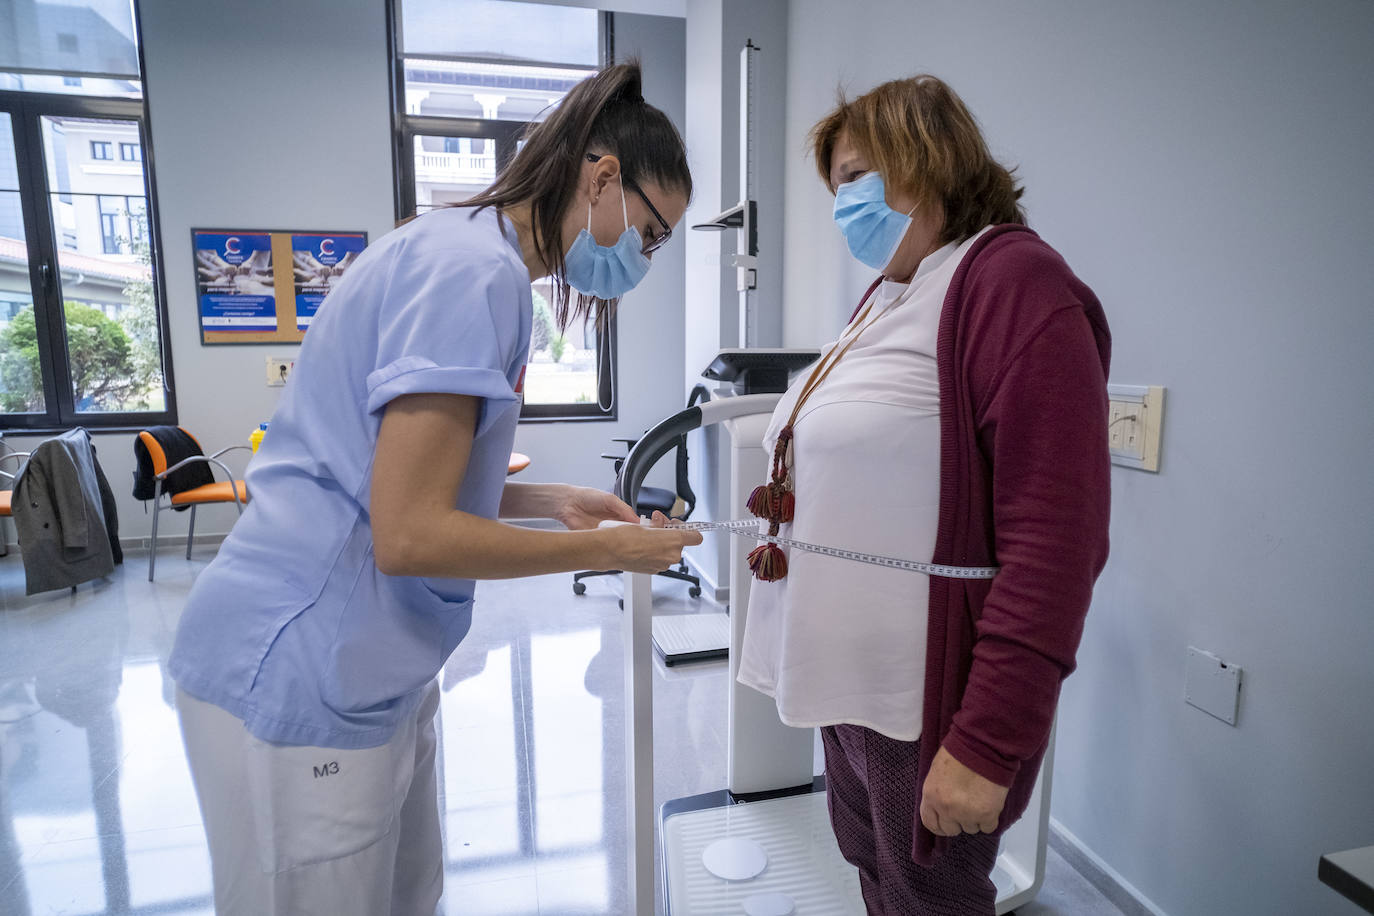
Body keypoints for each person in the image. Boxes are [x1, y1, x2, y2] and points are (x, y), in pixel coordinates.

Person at [168, 63, 702, 916]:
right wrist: (608, 548)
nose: (643, 258)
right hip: (301, 665)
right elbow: (410, 533)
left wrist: (551, 499)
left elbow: (406, 475)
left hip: (372, 665)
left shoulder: (467, 252)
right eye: (651, 234)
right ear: (603, 178)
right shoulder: (473, 274)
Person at [737, 74, 1111, 914]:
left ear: (930, 159)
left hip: (921, 702)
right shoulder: (890, 295)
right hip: (850, 684)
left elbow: (1056, 543)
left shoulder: (1017, 285)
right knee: (875, 873)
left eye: (860, 175)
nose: (845, 201)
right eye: (837, 184)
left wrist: (988, 743)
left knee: (928, 897)